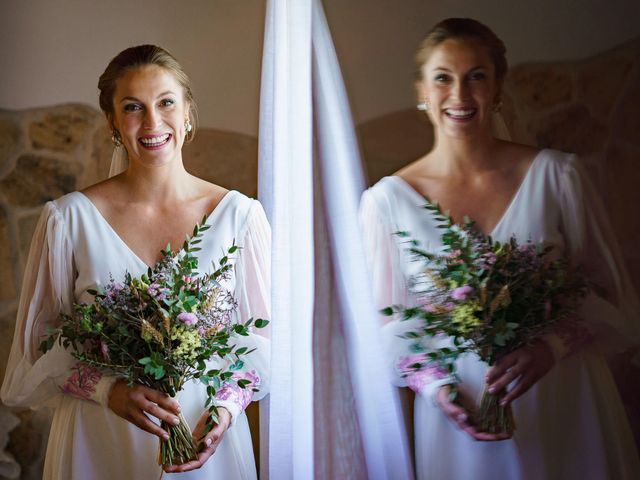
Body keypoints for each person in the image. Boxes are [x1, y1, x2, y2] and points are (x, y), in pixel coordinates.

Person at [360, 18, 640, 480]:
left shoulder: (558, 177)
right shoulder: (386, 203)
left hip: (562, 397)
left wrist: (551, 347)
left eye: (477, 76)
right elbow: (388, 325)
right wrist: (437, 391)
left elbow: (611, 296)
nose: (460, 95)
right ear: (422, 91)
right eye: (443, 78)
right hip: (462, 414)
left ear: (498, 88)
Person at [1, 45, 270, 479]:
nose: (151, 122)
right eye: (132, 107)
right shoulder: (68, 220)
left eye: (165, 102)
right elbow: (38, 349)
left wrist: (225, 409)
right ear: (112, 122)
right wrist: (108, 390)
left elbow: (261, 344)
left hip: (201, 439)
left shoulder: (240, 217)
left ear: (187, 112)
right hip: (99, 440)